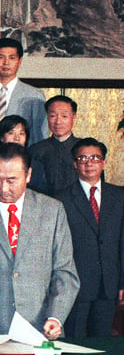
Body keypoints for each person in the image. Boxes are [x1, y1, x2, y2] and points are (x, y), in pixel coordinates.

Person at [0, 142, 80, 337]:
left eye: (12, 180)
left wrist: (56, 317)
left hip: (41, 327)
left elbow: (65, 272)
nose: (3, 188)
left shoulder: (52, 211)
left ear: (28, 175)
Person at [55, 138, 124, 338]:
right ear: (75, 164)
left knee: (103, 343)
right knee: (73, 341)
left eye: (95, 158)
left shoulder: (119, 196)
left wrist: (122, 283)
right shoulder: (61, 199)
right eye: (83, 158)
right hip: (76, 286)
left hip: (108, 285)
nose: (89, 163)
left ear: (103, 163)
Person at [0, 37, 47, 147]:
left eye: (12, 58)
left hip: (20, 160)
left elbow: (40, 136)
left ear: (20, 61)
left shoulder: (34, 95)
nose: (6, 62)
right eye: (1, 57)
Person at [27, 95, 80, 195]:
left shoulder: (83, 149)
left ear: (74, 117)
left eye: (64, 116)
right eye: (52, 116)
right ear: (47, 117)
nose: (58, 122)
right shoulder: (35, 150)